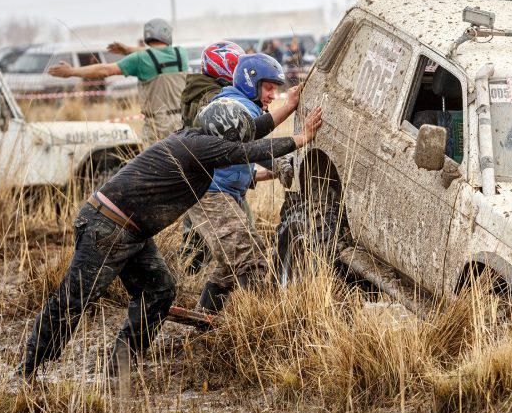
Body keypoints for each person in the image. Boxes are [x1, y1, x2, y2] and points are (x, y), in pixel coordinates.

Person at [17, 89, 323, 380]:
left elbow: (250, 131)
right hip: (107, 227)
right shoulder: (200, 146)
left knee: (160, 292)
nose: (235, 144)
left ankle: (121, 363)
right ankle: (28, 369)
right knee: (74, 300)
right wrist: (302, 136)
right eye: (232, 140)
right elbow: (249, 148)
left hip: (131, 232)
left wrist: (289, 105)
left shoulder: (197, 137)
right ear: (221, 137)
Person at [184, 53, 292, 314]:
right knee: (249, 257)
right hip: (210, 193)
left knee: (229, 266)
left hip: (226, 194)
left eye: (276, 90)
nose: (272, 95)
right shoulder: (235, 106)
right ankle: (265, 323)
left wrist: (280, 165)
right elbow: (252, 141)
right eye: (268, 88)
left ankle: (204, 317)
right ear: (249, 81)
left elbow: (250, 147)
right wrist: (281, 160)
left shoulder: (247, 106)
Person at [48, 19, 188, 142]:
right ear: (166, 34)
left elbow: (105, 70)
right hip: (182, 124)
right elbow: (156, 52)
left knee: (155, 169)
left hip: (157, 127)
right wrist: (129, 49)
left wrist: (72, 71)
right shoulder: (181, 53)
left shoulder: (140, 59)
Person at [178, 41, 246, 273]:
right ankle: (194, 280)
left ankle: (190, 276)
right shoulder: (213, 97)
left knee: (196, 235)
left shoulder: (198, 89)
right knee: (237, 237)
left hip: (199, 171)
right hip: (212, 176)